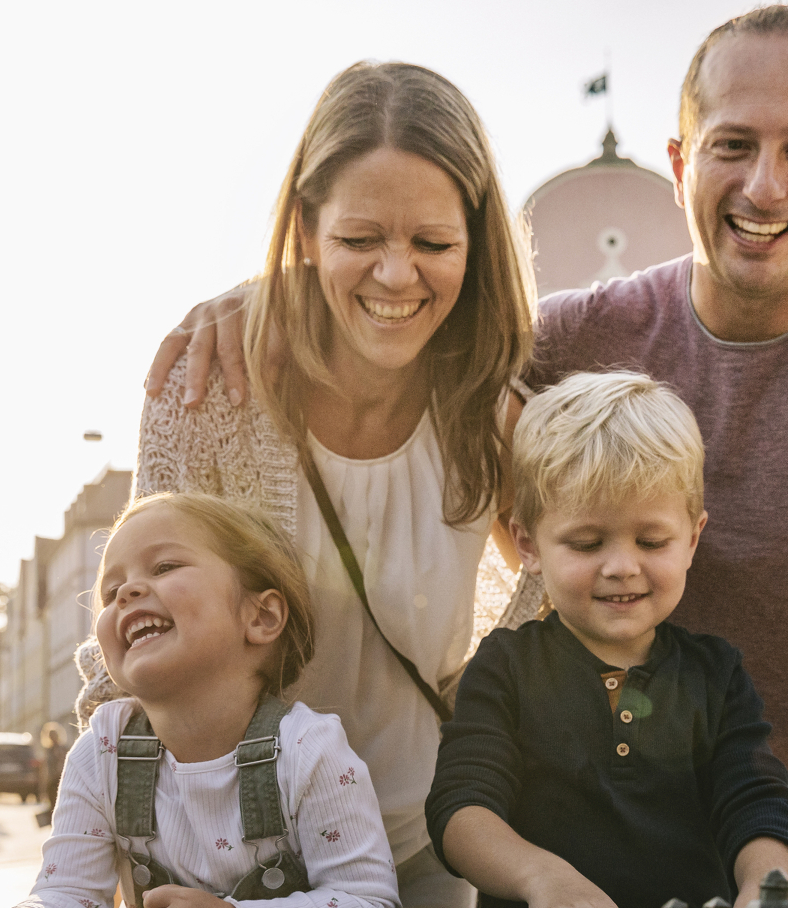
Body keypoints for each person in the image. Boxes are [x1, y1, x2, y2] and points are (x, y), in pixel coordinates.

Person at [147, 8, 788, 907]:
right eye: (733, 144)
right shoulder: (568, 337)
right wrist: (255, 297)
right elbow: (411, 300)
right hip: (637, 838)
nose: (764, 185)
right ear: (682, 163)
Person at [98, 61, 535, 908]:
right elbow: (134, 638)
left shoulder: (498, 421)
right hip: (223, 868)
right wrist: (115, 851)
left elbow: (560, 607)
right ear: (305, 230)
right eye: (359, 240)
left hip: (424, 861)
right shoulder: (209, 390)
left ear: (476, 246)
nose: (397, 276)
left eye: (434, 244)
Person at [427, 372, 788, 908]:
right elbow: (462, 809)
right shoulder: (506, 665)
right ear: (528, 544)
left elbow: (757, 803)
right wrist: (540, 878)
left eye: (651, 541)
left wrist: (766, 889)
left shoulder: (716, 675)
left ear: (693, 538)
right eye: (586, 543)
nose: (622, 567)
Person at [23, 493, 398, 908]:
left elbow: (367, 899)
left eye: (165, 567)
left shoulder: (309, 750)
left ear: (261, 617)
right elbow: (63, 893)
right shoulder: (101, 751)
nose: (126, 591)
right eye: (111, 592)